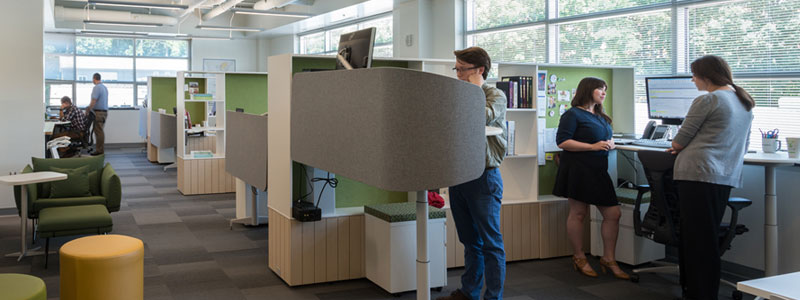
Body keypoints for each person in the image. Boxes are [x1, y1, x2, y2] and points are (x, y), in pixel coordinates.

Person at [667, 55, 754, 300]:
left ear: (707, 76)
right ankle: (697, 290)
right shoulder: (743, 101)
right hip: (724, 175)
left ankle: (699, 293)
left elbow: (678, 140)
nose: (693, 80)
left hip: (697, 173)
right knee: (705, 237)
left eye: (694, 75)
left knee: (696, 239)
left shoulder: (709, 99)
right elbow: (743, 145)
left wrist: (677, 146)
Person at [437, 47, 507, 300]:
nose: (457, 74)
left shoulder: (494, 94)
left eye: (462, 69)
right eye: (456, 68)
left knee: (491, 243)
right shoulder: (458, 94)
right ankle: (469, 292)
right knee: (470, 241)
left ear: (479, 70)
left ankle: (493, 297)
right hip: (459, 175)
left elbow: (479, 117)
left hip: (483, 177)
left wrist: (475, 87)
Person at [553, 77, 630, 280]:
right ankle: (579, 257)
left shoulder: (600, 115)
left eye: (605, 90)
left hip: (597, 169)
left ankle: (608, 258)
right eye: (600, 89)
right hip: (578, 168)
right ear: (588, 90)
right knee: (579, 213)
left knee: (613, 213)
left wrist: (611, 143)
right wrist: (593, 146)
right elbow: (562, 141)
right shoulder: (573, 114)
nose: (603, 93)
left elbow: (607, 137)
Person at [86, 72, 108, 155]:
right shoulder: (104, 87)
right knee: (100, 131)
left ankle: (99, 151)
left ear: (94, 79)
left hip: (98, 113)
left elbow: (94, 100)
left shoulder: (97, 87)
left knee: (98, 132)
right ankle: (100, 150)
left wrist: (88, 109)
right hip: (104, 113)